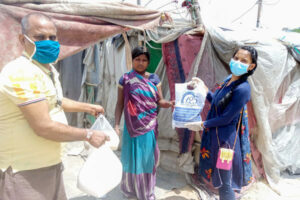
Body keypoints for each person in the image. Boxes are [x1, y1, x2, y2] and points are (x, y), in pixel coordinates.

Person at [0, 13, 110, 200]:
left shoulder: (47, 69)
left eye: (52, 37)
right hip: (25, 171)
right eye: (40, 37)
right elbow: (43, 127)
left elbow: (55, 101)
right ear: (22, 39)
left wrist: (86, 107)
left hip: (50, 164)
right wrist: (88, 134)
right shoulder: (21, 72)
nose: (48, 42)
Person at [185, 46, 257, 200]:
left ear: (251, 66)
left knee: (225, 183)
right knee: (219, 180)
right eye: (236, 58)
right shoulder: (227, 81)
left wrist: (202, 124)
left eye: (243, 60)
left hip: (226, 144)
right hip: (215, 139)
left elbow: (226, 118)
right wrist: (204, 88)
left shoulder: (243, 89)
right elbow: (217, 103)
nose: (238, 62)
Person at [114, 46, 174, 200]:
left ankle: (146, 191)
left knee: (147, 158)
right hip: (131, 126)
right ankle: (130, 188)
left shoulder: (154, 79)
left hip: (148, 125)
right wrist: (116, 124)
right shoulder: (125, 79)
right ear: (132, 60)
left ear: (148, 62)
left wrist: (166, 103)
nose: (140, 63)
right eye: (137, 59)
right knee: (131, 157)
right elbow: (120, 103)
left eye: (144, 60)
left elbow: (159, 100)